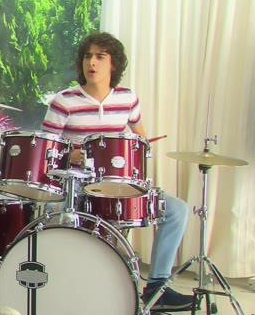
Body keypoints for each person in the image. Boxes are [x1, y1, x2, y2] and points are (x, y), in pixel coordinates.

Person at [41, 32, 193, 312]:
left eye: (100, 57)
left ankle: (157, 288)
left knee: (177, 210)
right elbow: (46, 151)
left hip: (120, 184)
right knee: (55, 216)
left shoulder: (128, 98)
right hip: (79, 187)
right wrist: (80, 155)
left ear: (114, 64)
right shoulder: (65, 101)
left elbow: (140, 138)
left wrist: (137, 152)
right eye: (88, 56)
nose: (92, 62)